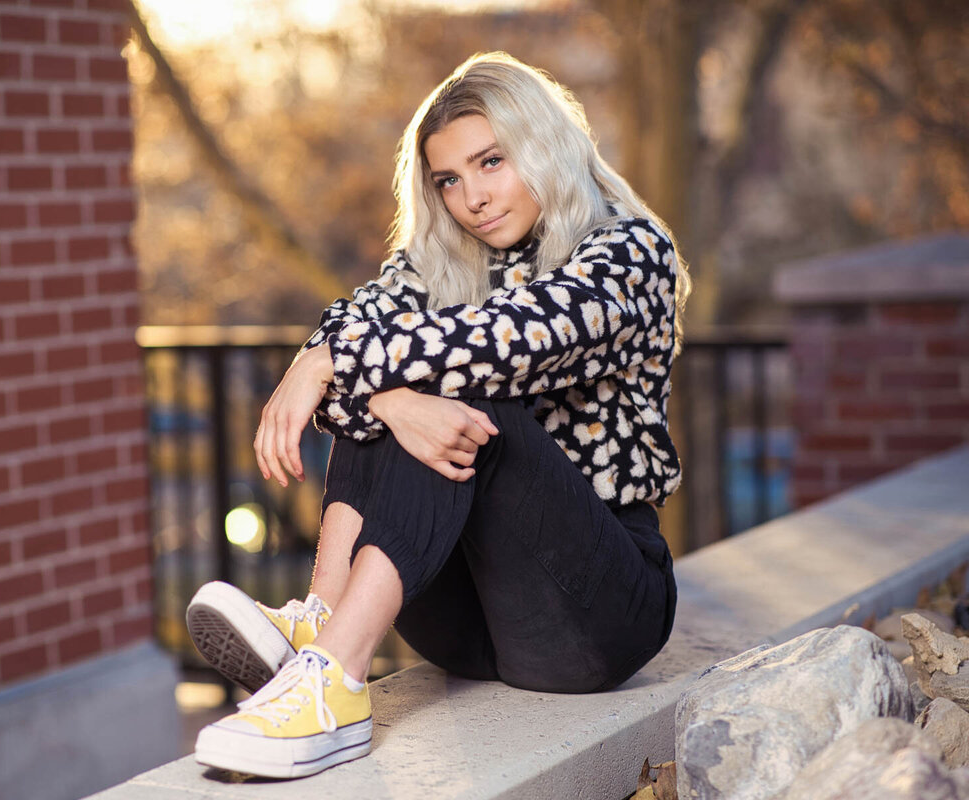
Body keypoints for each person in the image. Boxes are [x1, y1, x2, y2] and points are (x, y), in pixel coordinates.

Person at [185, 51, 690, 779]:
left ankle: (333, 683)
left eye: (492, 162)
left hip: (599, 612)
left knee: (454, 386)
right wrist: (383, 392)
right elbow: (356, 325)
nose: (472, 198)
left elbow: (510, 341)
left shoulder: (630, 254)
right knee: (406, 390)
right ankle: (320, 622)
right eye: (449, 179)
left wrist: (331, 365)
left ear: (545, 147)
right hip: (467, 621)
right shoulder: (437, 265)